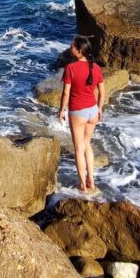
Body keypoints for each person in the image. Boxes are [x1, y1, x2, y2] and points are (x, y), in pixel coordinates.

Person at [58, 35, 106, 192]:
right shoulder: (96, 68)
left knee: (79, 148)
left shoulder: (70, 68)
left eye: (72, 46)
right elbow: (102, 92)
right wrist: (99, 109)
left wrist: (62, 110)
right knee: (87, 145)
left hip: (78, 112)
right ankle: (91, 179)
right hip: (92, 111)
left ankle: (82, 185)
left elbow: (66, 93)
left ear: (79, 51)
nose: (70, 48)